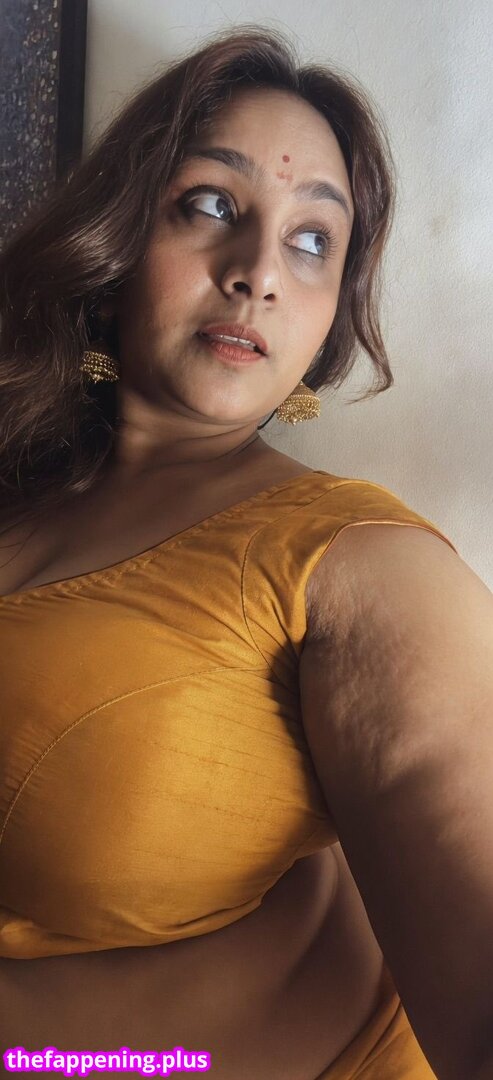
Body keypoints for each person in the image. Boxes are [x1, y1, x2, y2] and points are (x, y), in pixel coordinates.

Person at [0, 23, 492, 1080]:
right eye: (213, 206)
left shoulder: (358, 564)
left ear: (330, 313)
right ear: (121, 233)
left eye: (312, 240)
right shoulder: (23, 489)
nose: (257, 272)